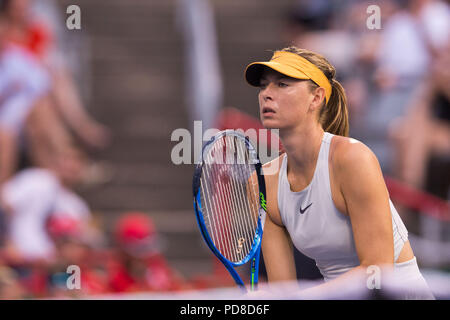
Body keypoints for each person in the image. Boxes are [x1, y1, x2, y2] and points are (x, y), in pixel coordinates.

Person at [243, 46, 434, 299]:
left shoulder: (353, 158)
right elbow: (283, 291)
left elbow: (378, 274)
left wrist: (303, 297)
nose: (267, 94)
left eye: (282, 84)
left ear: (316, 97)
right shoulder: (262, 183)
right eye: (264, 86)